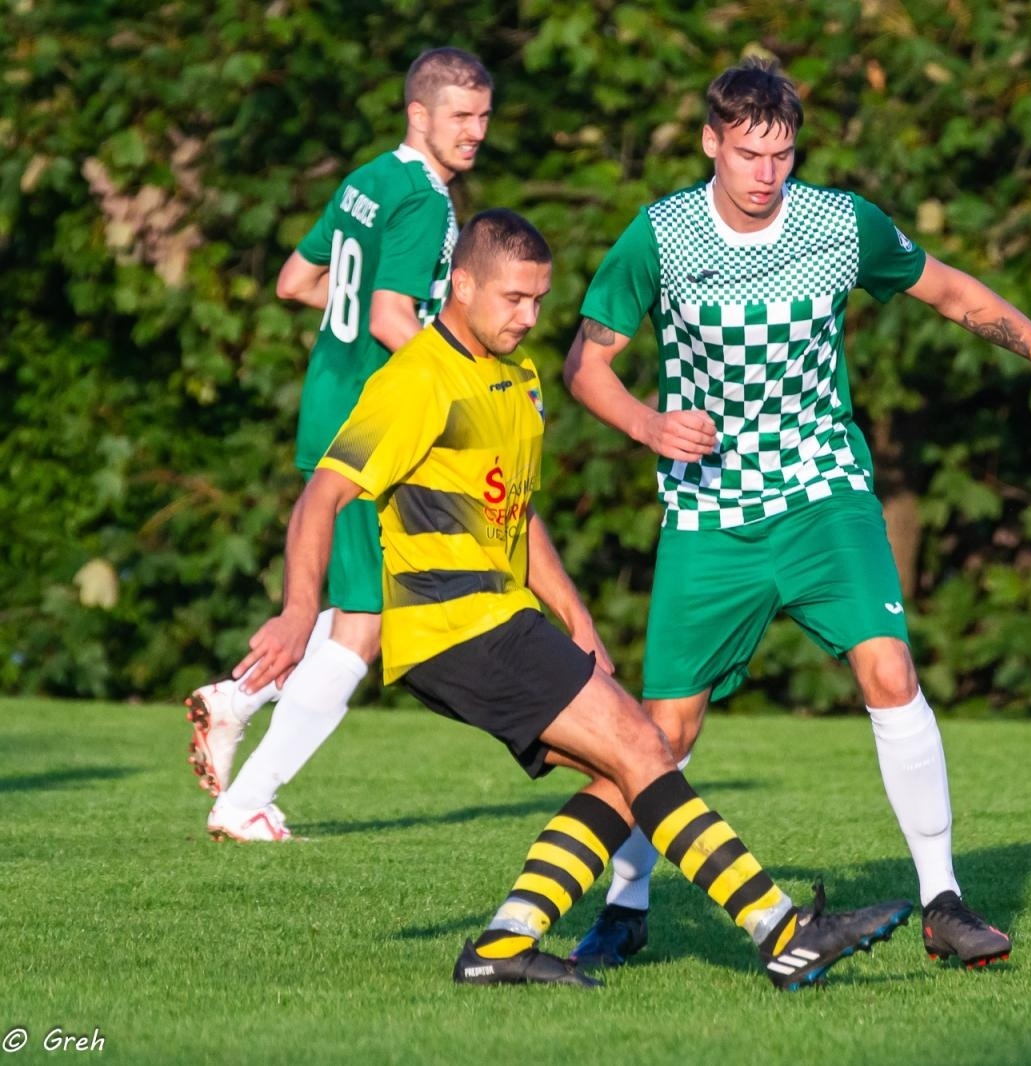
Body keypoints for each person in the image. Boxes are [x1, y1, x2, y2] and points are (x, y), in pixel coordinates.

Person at [234, 207, 912, 989]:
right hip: (456, 624)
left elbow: (515, 511)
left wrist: (577, 617)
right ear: (461, 285)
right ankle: (782, 930)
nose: (528, 318)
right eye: (512, 299)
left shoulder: (513, 375)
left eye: (538, 301)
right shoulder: (417, 378)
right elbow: (323, 494)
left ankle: (501, 946)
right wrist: (296, 610)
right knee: (646, 747)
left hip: (501, 619)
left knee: (624, 770)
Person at [562, 58, 1031, 969]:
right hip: (711, 514)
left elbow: (954, 294)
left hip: (824, 492)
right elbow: (586, 364)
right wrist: (647, 423)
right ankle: (626, 910)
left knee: (890, 668)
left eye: (781, 154)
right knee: (660, 734)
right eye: (748, 153)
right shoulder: (660, 234)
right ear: (711, 143)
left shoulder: (839, 222)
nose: (765, 173)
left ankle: (943, 901)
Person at [184, 47, 494, 842]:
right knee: (363, 623)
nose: (475, 132)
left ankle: (237, 699)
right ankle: (246, 798)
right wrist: (464, 389)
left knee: (353, 605)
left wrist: (356, 320)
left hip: (329, 404)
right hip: (370, 421)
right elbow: (393, 315)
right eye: (460, 116)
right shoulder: (423, 201)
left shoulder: (366, 180)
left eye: (483, 116)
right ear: (417, 115)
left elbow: (296, 281)